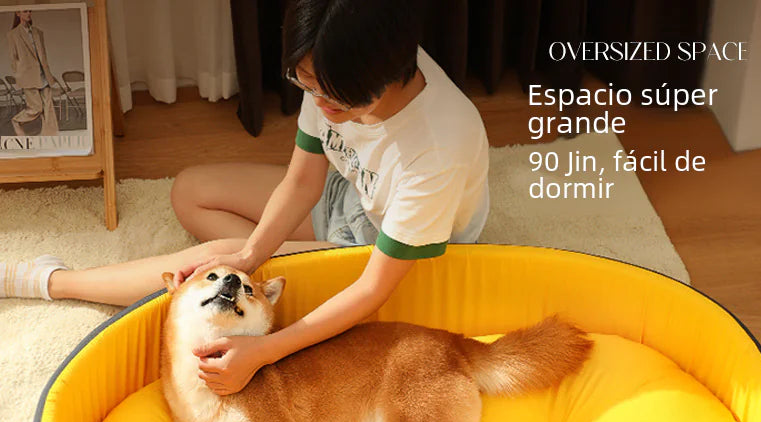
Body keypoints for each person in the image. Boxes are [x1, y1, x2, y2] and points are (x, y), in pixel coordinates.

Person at [1, 0, 489, 397]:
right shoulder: (335, 63)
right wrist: (251, 253)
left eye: (331, 98)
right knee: (191, 193)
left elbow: (371, 291)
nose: (316, 103)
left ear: (379, 79)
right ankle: (262, 263)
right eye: (306, 85)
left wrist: (265, 349)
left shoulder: (435, 150)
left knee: (207, 267)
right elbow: (303, 183)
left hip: (399, 258)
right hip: (355, 197)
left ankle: (54, 281)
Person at [8, 9, 59, 137]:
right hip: (28, 76)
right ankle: (16, 120)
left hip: (43, 74)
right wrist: (20, 74)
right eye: (25, 11)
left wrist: (48, 72)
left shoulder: (37, 32)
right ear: (18, 14)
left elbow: (43, 55)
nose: (29, 14)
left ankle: (50, 136)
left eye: (30, 11)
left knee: (48, 107)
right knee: (36, 108)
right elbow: (13, 58)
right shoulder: (13, 34)